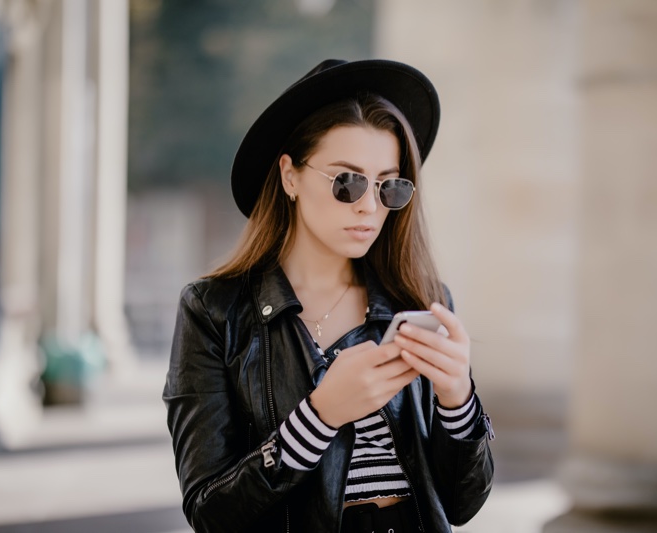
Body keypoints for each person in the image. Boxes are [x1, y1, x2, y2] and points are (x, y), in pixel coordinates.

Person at [163, 59, 495, 533]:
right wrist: (320, 415)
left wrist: (458, 399)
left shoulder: (420, 301)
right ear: (290, 176)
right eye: (347, 181)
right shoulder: (213, 311)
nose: (368, 204)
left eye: (389, 185)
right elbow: (210, 512)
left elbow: (462, 504)